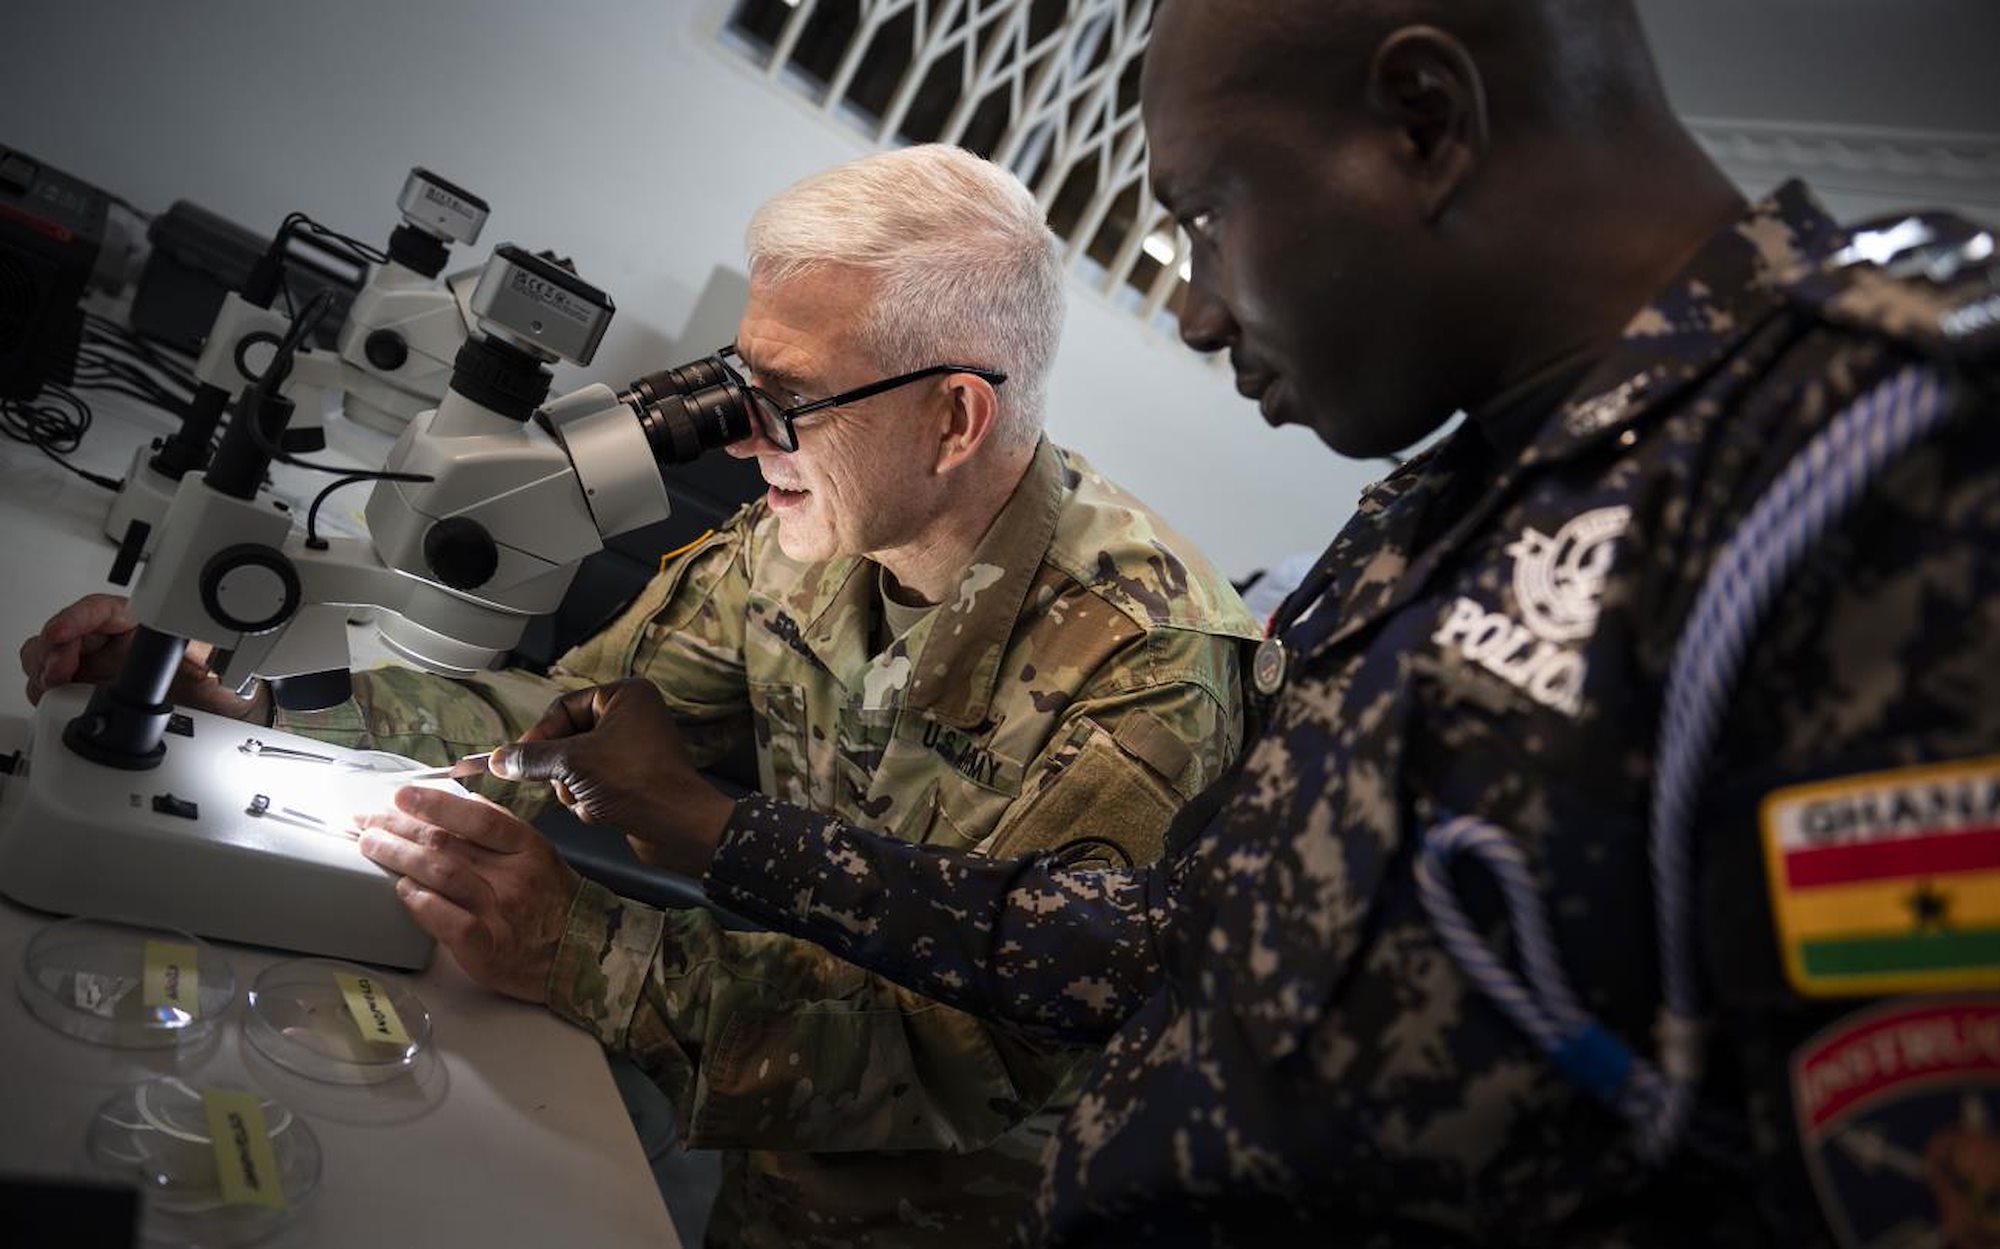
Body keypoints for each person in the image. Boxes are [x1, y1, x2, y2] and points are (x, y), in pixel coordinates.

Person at [402, 1, 2000, 1245]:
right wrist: (719, 836)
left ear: (1422, 120)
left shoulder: (1903, 452)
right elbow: (1164, 959)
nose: (1193, 311)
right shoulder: (1446, 508)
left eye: (1205, 218)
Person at [19, 145, 1261, 1247]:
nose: (735, 439)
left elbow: (977, 1062)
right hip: (761, 1147)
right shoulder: (806, 532)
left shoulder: (1149, 667)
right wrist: (259, 689)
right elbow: (567, 716)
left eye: (786, 401)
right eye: (739, 380)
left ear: (952, 419)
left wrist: (583, 946)